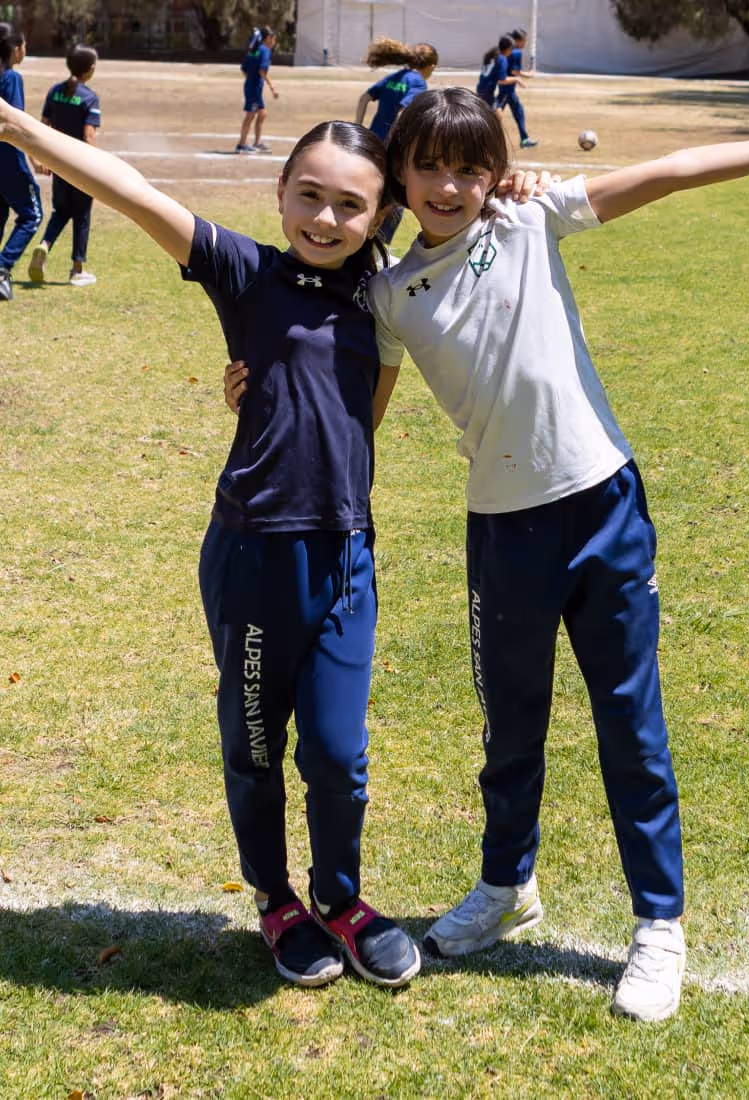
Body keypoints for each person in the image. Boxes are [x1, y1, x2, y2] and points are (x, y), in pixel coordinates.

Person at [363, 87, 749, 1022]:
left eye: (471, 167)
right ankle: (505, 887)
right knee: (509, 730)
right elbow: (358, 422)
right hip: (502, 533)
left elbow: (675, 172)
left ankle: (659, 924)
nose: (451, 185)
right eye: (430, 166)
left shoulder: (529, 217)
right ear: (400, 171)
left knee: (629, 726)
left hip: (603, 508)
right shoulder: (389, 296)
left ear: (495, 173)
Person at [0, 99, 424, 989]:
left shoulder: (380, 296)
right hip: (255, 556)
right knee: (259, 745)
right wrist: (25, 132)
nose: (325, 218)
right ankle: (275, 898)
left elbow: (364, 419)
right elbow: (133, 192)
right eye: (308, 195)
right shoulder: (245, 271)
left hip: (346, 554)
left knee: (341, 755)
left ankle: (341, 899)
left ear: (380, 216)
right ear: (279, 194)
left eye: (350, 206)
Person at [28, 44, 101, 287]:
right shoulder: (90, 97)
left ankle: (44, 245)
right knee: (81, 216)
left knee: (60, 211)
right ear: (89, 70)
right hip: (80, 165)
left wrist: (41, 158)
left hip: (58, 164)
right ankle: (77, 270)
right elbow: (88, 135)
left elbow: (43, 125)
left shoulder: (54, 91)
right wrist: (94, 168)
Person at [355, 37, 438, 246]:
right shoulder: (418, 82)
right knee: (394, 202)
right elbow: (403, 113)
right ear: (431, 67)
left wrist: (358, 127)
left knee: (372, 195)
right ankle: (377, 249)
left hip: (371, 143)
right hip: (389, 149)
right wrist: (399, 143)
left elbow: (364, 97)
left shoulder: (396, 76)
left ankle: (364, 244)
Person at [0, 29, 42, 301]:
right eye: (25, 45)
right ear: (15, 48)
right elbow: (15, 123)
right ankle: (3, 267)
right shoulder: (12, 78)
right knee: (32, 215)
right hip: (10, 160)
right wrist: (36, 157)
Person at [476, 34, 531, 151]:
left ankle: (487, 143)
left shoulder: (492, 55)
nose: (512, 52)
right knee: (496, 117)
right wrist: (517, 79)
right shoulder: (502, 59)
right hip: (487, 93)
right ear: (508, 48)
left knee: (496, 116)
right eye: (511, 49)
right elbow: (502, 80)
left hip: (482, 89)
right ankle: (486, 144)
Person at [236, 26, 278, 154]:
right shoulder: (265, 51)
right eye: (273, 38)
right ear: (268, 38)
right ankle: (241, 145)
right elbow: (262, 70)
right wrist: (272, 87)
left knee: (262, 113)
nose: (274, 41)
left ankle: (257, 142)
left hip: (251, 86)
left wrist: (251, 80)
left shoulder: (254, 50)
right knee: (250, 115)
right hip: (254, 88)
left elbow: (244, 69)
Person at [496, 28, 537, 149]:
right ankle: (481, 136)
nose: (525, 43)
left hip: (507, 87)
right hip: (506, 88)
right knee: (495, 113)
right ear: (518, 41)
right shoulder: (516, 52)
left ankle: (524, 138)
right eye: (524, 40)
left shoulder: (510, 50)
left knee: (518, 110)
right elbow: (514, 71)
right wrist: (528, 75)